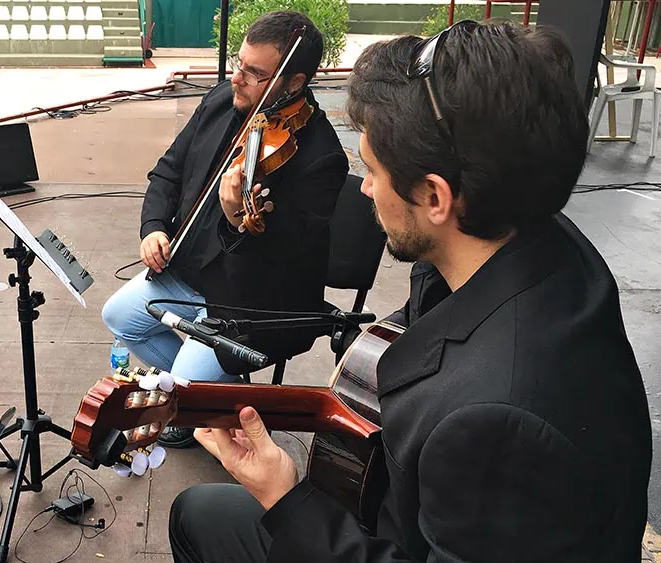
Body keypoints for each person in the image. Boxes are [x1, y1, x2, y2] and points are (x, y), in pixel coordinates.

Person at [168, 20, 653, 562]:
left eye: (373, 171)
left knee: (200, 518)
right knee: (200, 511)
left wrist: (285, 496)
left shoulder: (501, 424)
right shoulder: (528, 235)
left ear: (436, 197)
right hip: (414, 505)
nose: (366, 189)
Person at [101, 11, 350, 448]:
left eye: (255, 74)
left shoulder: (321, 156)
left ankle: (198, 402)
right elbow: (169, 171)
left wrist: (239, 222)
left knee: (182, 383)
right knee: (119, 317)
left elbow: (293, 257)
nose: (237, 78)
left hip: (246, 302)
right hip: (185, 272)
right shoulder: (221, 99)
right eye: (239, 63)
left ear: (294, 83)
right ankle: (207, 401)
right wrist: (153, 228)